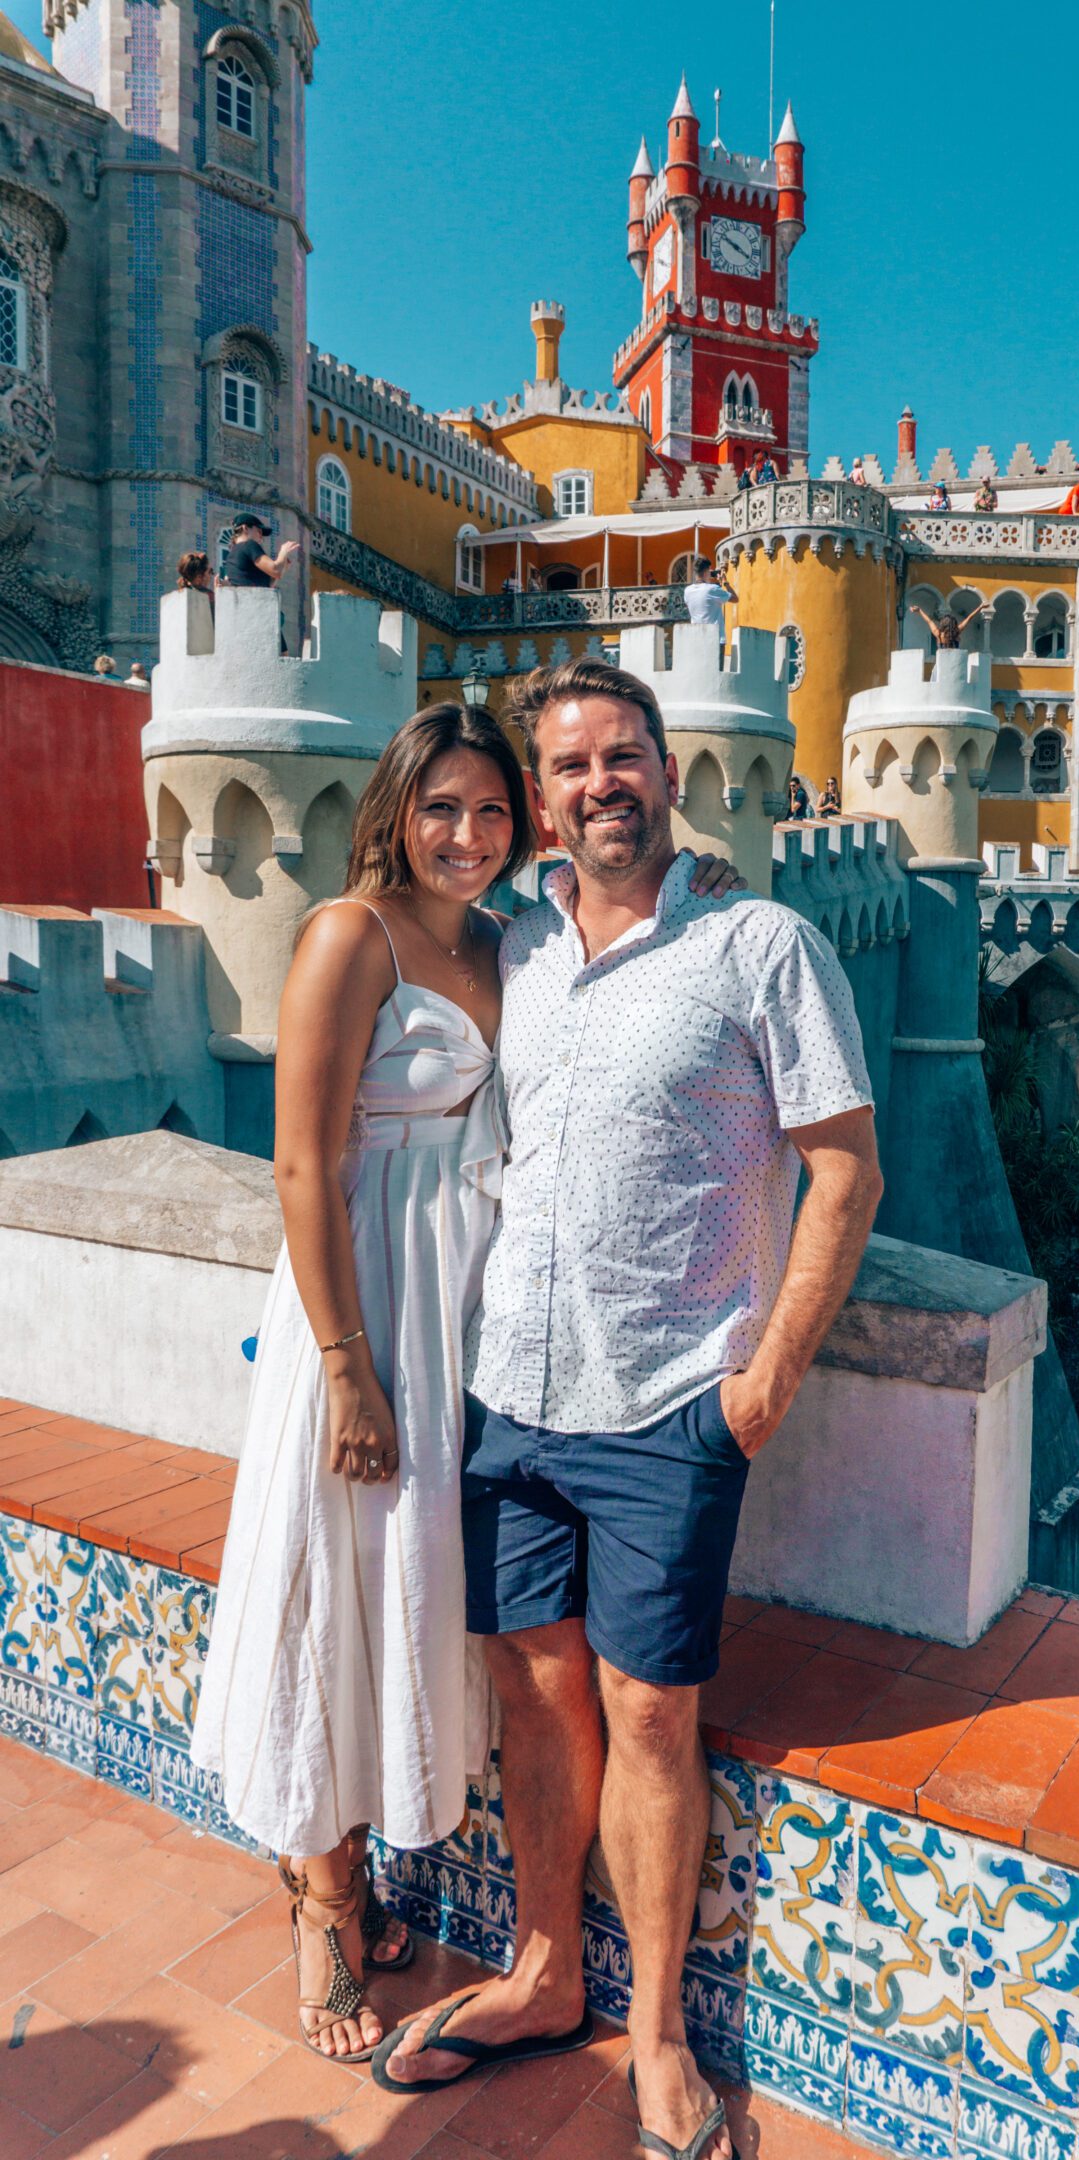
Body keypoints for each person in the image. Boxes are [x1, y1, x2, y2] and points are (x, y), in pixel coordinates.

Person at [375, 658, 882, 2160]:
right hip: (510, 1389)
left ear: (670, 772)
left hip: (669, 1399)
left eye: (623, 756)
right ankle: (541, 1973)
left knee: (652, 1713)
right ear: (544, 798)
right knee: (537, 1693)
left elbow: (845, 1168)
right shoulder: (516, 946)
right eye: (572, 765)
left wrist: (768, 1375)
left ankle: (654, 2032)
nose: (599, 783)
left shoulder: (761, 945)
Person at [189, 706, 742, 2069]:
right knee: (330, 1587)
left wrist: (710, 881)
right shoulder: (348, 936)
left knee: (412, 1596)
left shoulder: (513, 941)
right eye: (443, 807)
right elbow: (305, 1167)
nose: (468, 834)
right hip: (368, 1299)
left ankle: (369, 1868)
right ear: (396, 806)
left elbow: (631, 950)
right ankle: (326, 1899)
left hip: (470, 1314)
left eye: (493, 812)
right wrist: (345, 1371)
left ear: (527, 826)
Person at [221, 511, 299, 590]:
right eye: (259, 531)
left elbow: (267, 584)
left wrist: (283, 567)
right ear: (245, 528)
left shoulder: (231, 555)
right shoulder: (249, 545)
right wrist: (283, 551)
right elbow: (276, 571)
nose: (261, 537)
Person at [682, 555, 736, 629]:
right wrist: (725, 583)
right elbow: (735, 598)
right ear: (705, 573)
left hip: (696, 634)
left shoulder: (687, 591)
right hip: (715, 635)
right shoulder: (713, 589)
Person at [909, 598, 985, 650]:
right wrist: (980, 607)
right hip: (954, 665)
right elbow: (969, 618)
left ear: (943, 624)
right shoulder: (956, 632)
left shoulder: (938, 634)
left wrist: (919, 611)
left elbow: (929, 621)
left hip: (941, 665)